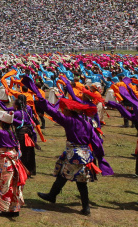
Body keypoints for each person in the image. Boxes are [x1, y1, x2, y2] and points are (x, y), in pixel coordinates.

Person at [28, 76, 112, 216]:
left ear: (70, 111)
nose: (63, 111)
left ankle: (57, 197)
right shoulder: (86, 123)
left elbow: (53, 112)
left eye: (65, 109)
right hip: (85, 154)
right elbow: (95, 140)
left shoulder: (69, 121)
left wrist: (42, 101)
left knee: (69, 177)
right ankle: (81, 206)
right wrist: (99, 156)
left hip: (75, 153)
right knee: (76, 178)